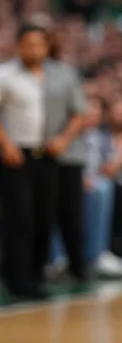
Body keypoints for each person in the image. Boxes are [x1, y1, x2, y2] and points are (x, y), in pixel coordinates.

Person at [0, 23, 87, 299]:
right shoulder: (6, 74)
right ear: (19, 46)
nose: (34, 49)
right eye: (28, 44)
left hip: (47, 154)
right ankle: (18, 280)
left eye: (39, 44)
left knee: (43, 218)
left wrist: (63, 140)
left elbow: (79, 114)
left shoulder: (59, 75)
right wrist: (6, 144)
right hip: (17, 155)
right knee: (20, 219)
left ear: (47, 47)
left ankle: (36, 275)